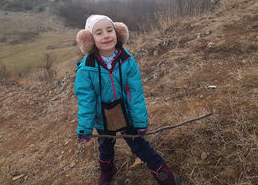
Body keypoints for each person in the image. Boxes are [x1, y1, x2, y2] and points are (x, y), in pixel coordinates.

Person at [74, 15, 181, 185]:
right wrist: (85, 128)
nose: (107, 35)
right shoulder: (87, 68)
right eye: (99, 33)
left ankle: (162, 171)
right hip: (102, 117)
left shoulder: (127, 61)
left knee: (138, 144)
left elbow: (135, 94)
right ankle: (107, 171)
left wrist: (139, 121)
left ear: (118, 33)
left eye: (110, 30)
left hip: (126, 114)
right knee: (105, 146)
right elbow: (87, 101)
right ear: (90, 40)